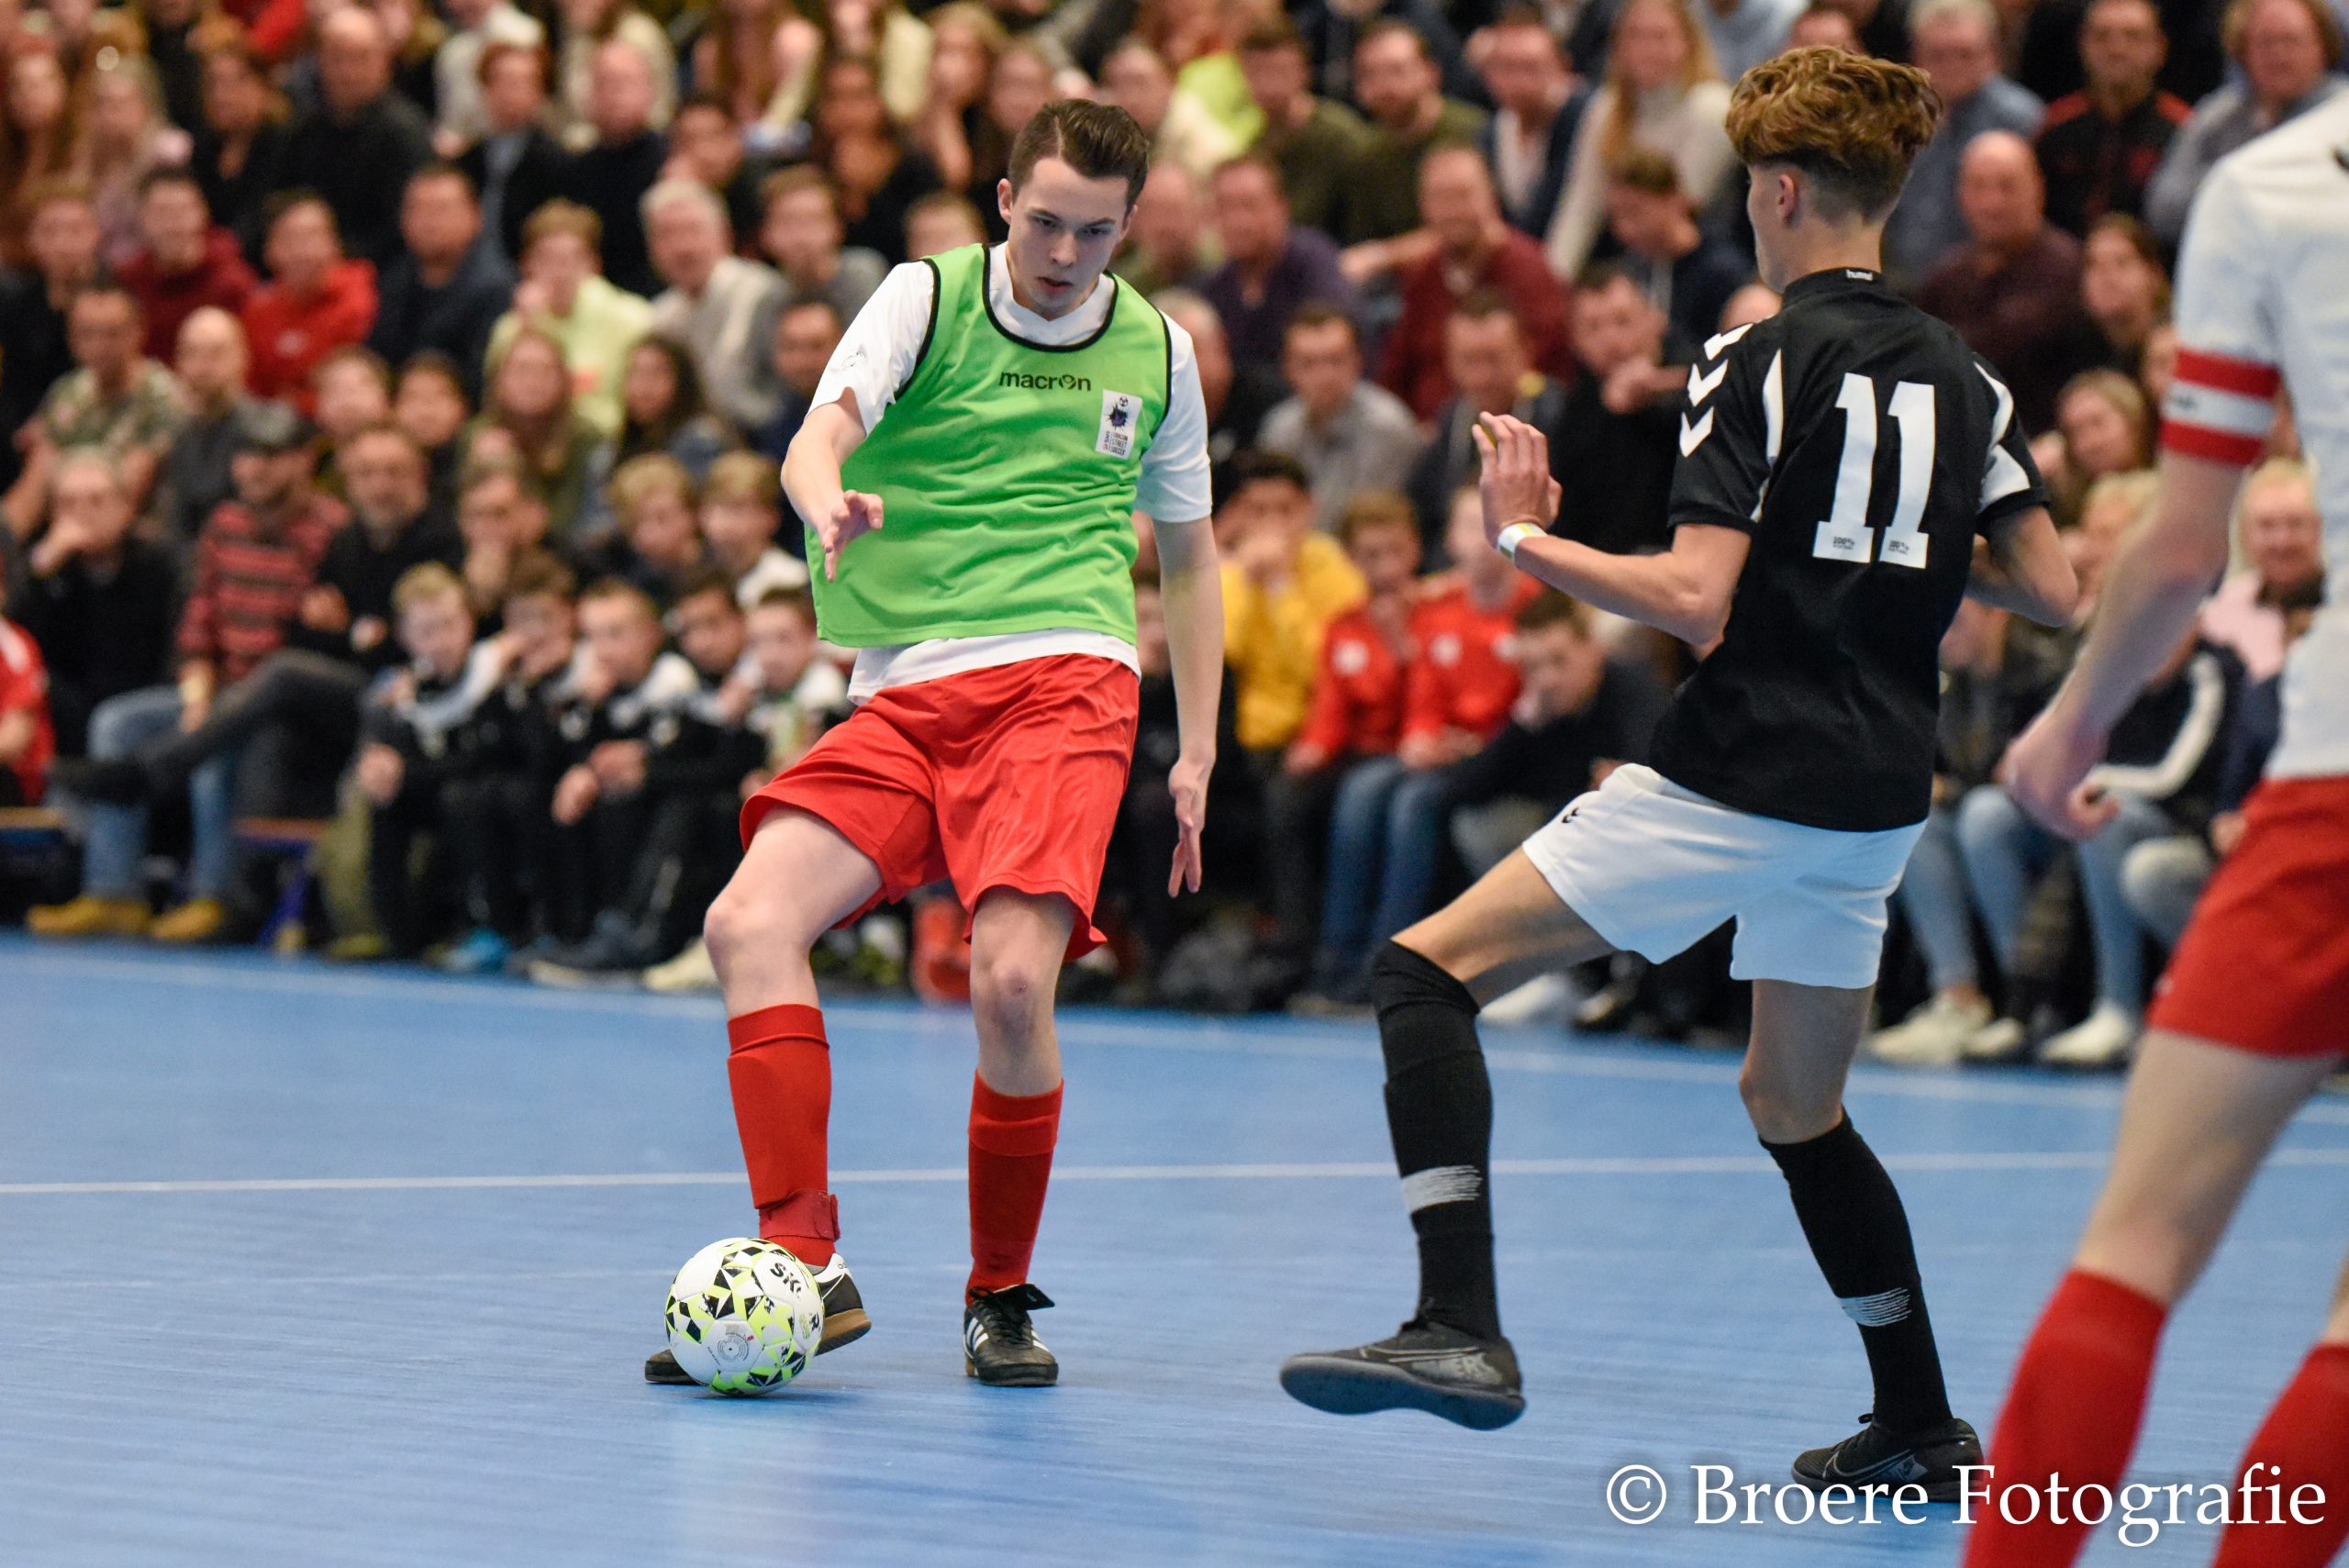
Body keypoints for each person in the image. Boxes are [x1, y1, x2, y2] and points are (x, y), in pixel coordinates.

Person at [1279, 49, 2077, 1505]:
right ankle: (1917, 1419)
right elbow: (2053, 584)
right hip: (1875, 797)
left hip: (1743, 770)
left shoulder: (1750, 354)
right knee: (1794, 1102)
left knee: (1422, 973)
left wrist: (1523, 539)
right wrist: (1880, 543)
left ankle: (1457, 1323)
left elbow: (1698, 598)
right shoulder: (1967, 375)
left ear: (1779, 192)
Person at [647, 101, 1223, 1391]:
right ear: (1005, 198)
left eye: (1095, 232)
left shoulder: (1161, 351)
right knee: (748, 922)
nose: (1063, 253)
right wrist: (824, 504)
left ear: (1129, 227)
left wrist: (1197, 748)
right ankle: (806, 1265)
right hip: (909, 689)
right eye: (1045, 221)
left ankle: (999, 1294)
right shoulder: (925, 296)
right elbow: (817, 438)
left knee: (1010, 984)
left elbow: (1189, 559)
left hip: (1068, 680)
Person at [1963, 83, 2349, 1568]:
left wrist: (2068, 728)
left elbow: (2184, 542)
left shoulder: (2271, 183)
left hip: (2331, 783)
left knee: (2132, 1250)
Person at [30, 410, 343, 942]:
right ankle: (113, 892)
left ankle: (211, 896)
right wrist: (198, 695)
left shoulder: (330, 531)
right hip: (218, 691)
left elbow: (318, 642)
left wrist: (215, 710)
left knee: (212, 741)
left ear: (302, 462)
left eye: (271, 457)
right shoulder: (225, 524)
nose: (256, 469)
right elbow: (198, 628)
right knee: (118, 722)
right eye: (247, 455)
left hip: (279, 707)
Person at [1542, 0, 1737, 284]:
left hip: (1698, 265)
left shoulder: (1711, 108)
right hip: (1627, 258)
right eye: (1635, 36)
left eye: (1660, 36)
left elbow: (1677, 212)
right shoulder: (1606, 109)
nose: (1647, 48)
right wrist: (1552, 285)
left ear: (1689, 43)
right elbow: (1580, 207)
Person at [1914, 131, 2097, 434]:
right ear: (1960, 193)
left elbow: (1999, 347)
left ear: (2037, 188)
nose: (1992, 203)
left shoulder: (2066, 268)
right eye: (1978, 187)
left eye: (2007, 186)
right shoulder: (1945, 277)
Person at [1377, 145, 1573, 424]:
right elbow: (1396, 371)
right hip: (1425, 434)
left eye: (1463, 195)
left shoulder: (1530, 271)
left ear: (1491, 197)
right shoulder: (1423, 273)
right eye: (1439, 198)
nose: (1452, 211)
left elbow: (1549, 373)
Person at [6, 451, 181, 760]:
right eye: (68, 503)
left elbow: (173, 651)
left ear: (126, 508)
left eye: (97, 501)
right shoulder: (45, 567)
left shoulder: (160, 564)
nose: (82, 513)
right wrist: (41, 570)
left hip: (143, 701)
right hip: (70, 709)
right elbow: (12, 643)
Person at [2140, 0, 2346, 244]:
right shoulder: (2218, 116)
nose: (2279, 54)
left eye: (2291, 40)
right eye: (2266, 42)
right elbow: (2164, 208)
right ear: (2242, 52)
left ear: (2323, 46)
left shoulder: (2342, 114)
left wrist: (2238, 191)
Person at [4, 284, 187, 540]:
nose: (99, 345)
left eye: (112, 333)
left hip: (140, 541)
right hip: (64, 535)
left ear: (138, 332)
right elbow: (35, 483)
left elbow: (129, 491)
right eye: (87, 333)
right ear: (71, 338)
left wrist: (55, 549)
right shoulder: (67, 393)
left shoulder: (162, 397)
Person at [1881, 0, 2045, 284]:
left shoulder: (2021, 118)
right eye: (1938, 55)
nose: (1952, 66)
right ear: (1916, 56)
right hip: (1902, 281)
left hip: (1990, 283)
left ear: (1992, 53)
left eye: (1964, 53)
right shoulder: (1897, 119)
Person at [281, 8, 433, 271]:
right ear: (319, 61)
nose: (348, 71)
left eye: (361, 58)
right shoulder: (304, 129)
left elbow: (403, 233)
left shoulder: (405, 134)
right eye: (337, 58)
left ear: (385, 61)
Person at [485, 201, 652, 439]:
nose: (561, 271)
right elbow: (497, 407)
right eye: (548, 259)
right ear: (527, 264)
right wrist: (530, 327)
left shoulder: (631, 318)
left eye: (572, 259)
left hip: (612, 440)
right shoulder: (512, 327)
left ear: (593, 264)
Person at [1258, 306, 1423, 534]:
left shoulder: (1387, 428)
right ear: (1288, 368)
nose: (1324, 375)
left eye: (1335, 360)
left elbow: (1370, 523)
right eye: (1308, 363)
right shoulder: (1279, 427)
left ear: (1358, 360)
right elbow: (1268, 512)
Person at [2032, 0, 2188, 237]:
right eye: (2102, 37)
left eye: (2132, 37)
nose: (2117, 50)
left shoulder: (2184, 131)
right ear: (2082, 45)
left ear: (2159, 48)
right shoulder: (2055, 126)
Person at [645, 178, 787, 432]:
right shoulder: (660, 315)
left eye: (693, 230)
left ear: (724, 234)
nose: (682, 247)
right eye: (667, 234)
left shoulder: (761, 293)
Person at [367, 165, 517, 403]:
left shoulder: (498, 289)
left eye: (442, 209)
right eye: (417, 209)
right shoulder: (393, 281)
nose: (429, 222)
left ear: (476, 216)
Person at [1337, 20, 1488, 248]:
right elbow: (1362, 241)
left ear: (1431, 73)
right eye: (1369, 74)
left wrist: (1387, 254)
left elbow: (1483, 228)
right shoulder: (1366, 154)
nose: (1384, 86)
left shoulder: (1474, 132)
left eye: (1397, 71)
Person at [1198, 154, 1355, 373]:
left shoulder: (1314, 267)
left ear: (1281, 207)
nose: (1237, 221)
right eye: (1225, 207)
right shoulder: (1214, 288)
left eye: (1249, 206)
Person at [1603, 148, 1754, 350]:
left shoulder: (1723, 272)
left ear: (1673, 199)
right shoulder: (1640, 268)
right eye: (1616, 217)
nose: (1625, 230)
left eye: (1634, 212)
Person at [1234, 17, 1373, 239]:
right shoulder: (1256, 149)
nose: (1269, 85)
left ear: (1304, 72)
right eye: (1257, 73)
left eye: (1279, 71)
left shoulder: (1342, 137)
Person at [241, 195, 379, 416]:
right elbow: (252, 388)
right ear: (270, 250)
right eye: (291, 239)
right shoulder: (258, 310)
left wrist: (297, 401)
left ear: (335, 244)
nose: (303, 251)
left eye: (313, 237)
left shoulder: (360, 299)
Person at [117, 169, 257, 363]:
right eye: (162, 213)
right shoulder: (128, 283)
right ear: (142, 218)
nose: (173, 225)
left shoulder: (233, 283)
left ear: (203, 214)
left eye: (183, 211)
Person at [455, 39, 573, 268]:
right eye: (500, 81)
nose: (509, 93)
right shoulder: (466, 161)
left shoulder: (558, 163)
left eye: (521, 83)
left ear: (540, 92)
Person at [1477, 7, 1588, 244]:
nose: (1518, 82)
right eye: (1506, 67)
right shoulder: (1492, 134)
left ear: (1562, 67)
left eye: (1530, 67)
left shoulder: (1586, 118)